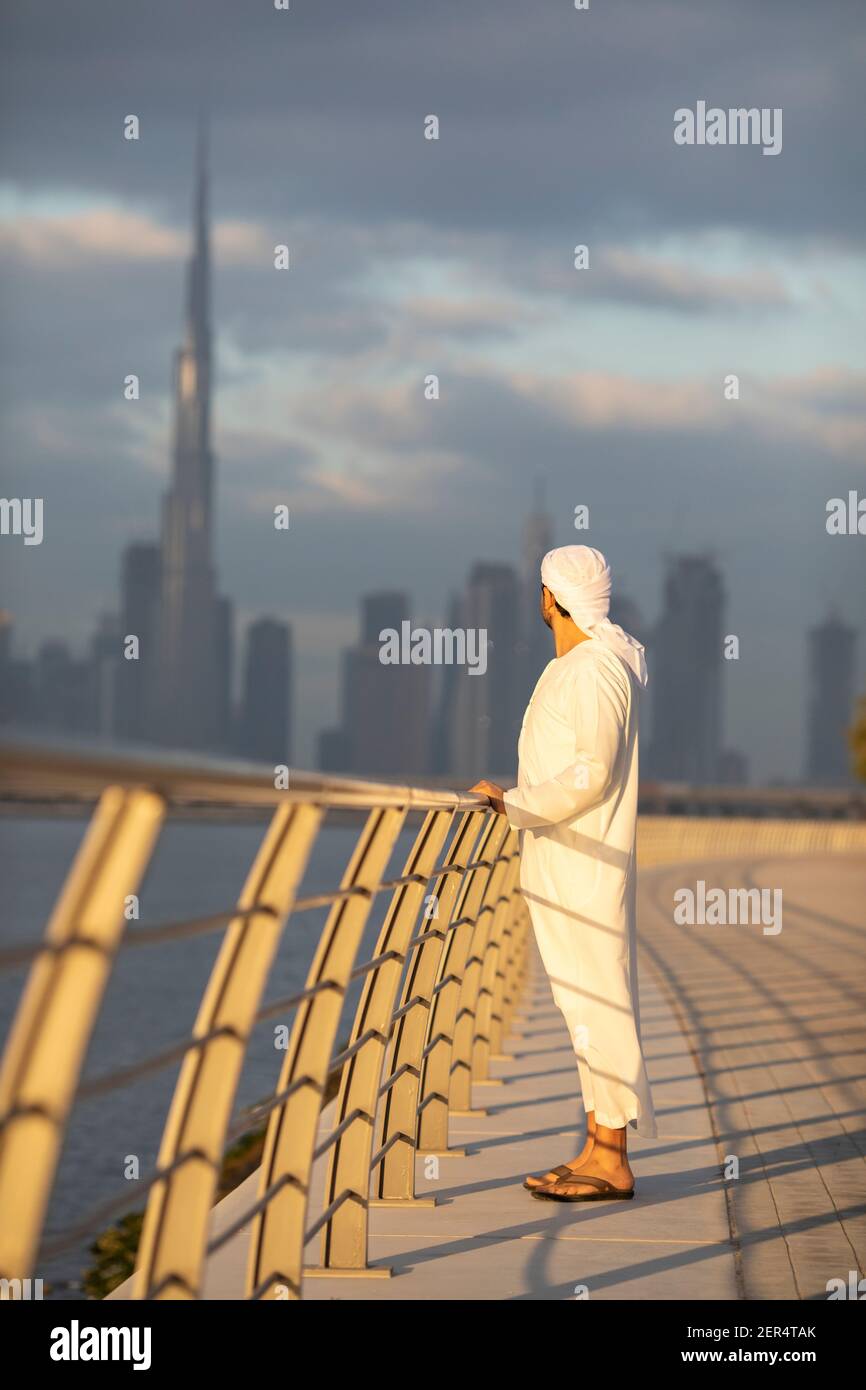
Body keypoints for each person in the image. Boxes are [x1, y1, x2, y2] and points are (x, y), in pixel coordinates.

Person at [471, 544, 656, 1201]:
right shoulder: (583, 666)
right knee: (582, 1002)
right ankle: (595, 1147)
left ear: (551, 598)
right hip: (565, 860)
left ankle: (612, 1159)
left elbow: (592, 772)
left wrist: (515, 803)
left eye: (540, 589)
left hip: (585, 863)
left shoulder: (593, 670)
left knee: (598, 1000)